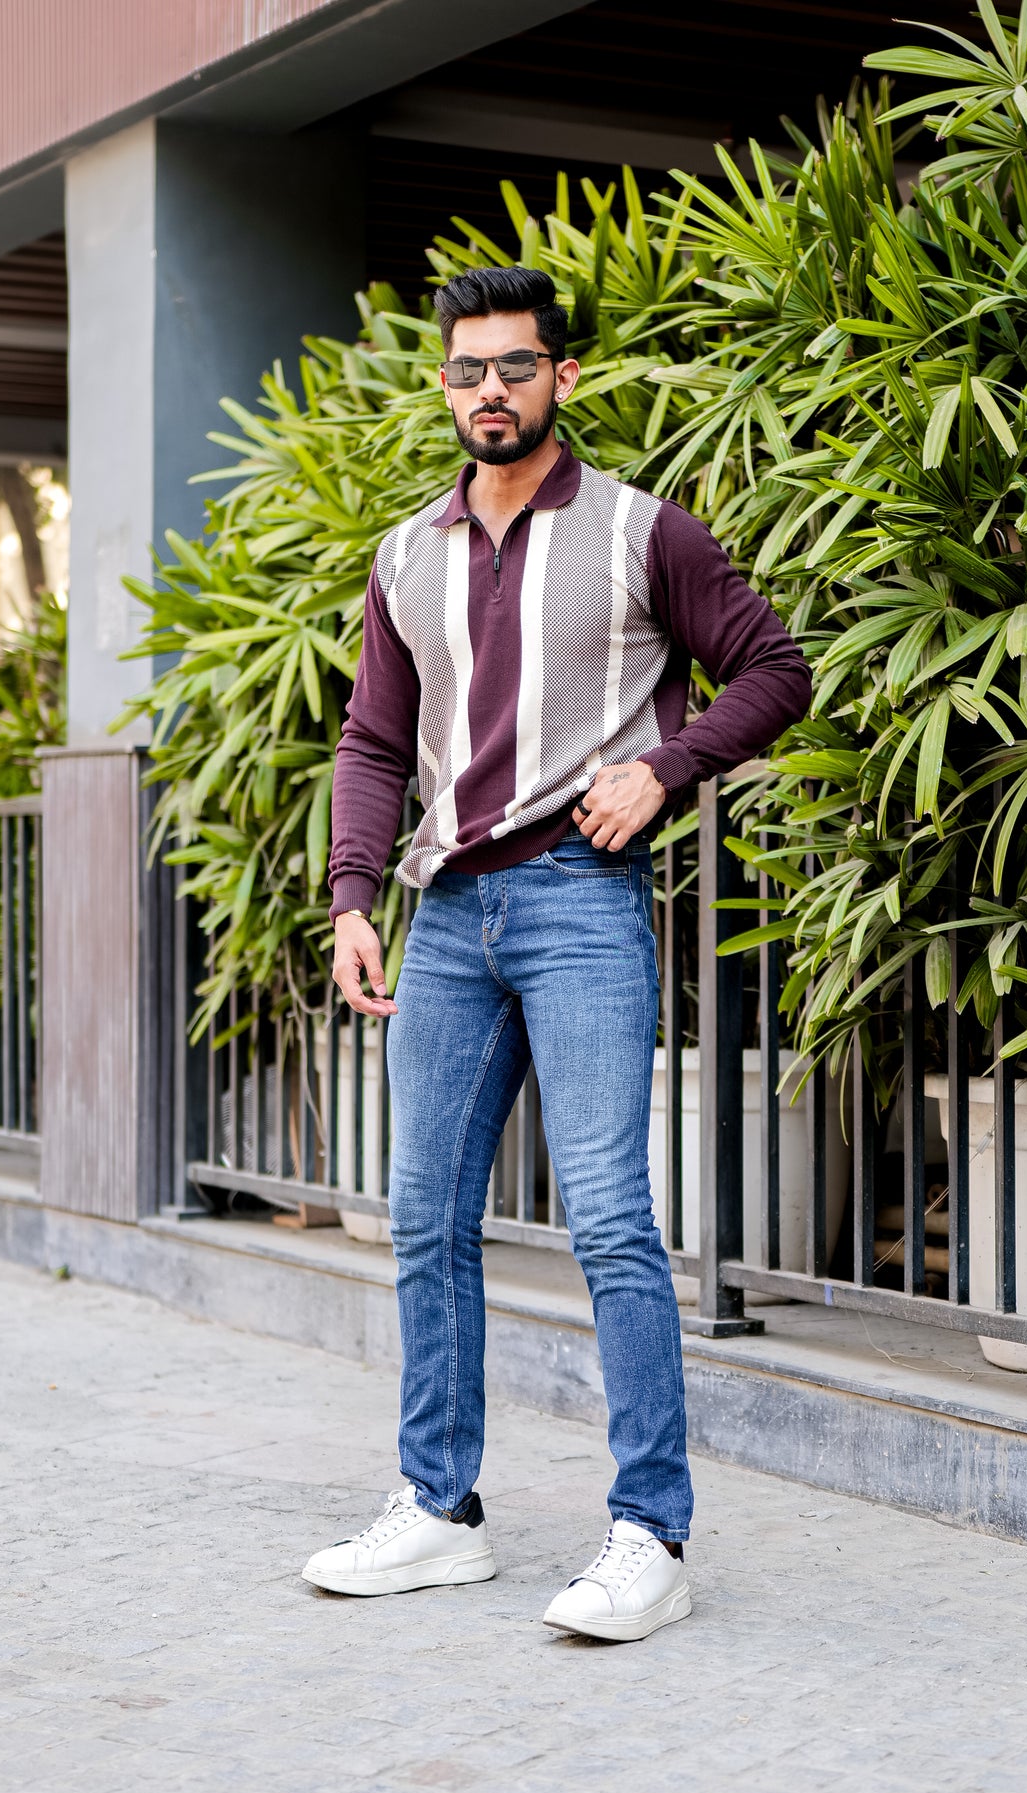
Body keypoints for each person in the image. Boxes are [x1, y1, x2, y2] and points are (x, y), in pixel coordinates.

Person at [302, 265, 810, 1641]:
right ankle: (440, 1510)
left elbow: (776, 670)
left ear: (562, 377)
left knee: (608, 1220)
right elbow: (374, 741)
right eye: (469, 370)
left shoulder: (644, 532)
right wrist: (353, 896)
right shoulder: (405, 556)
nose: (491, 391)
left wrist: (666, 768)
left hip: (581, 901)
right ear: (446, 386)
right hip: (444, 918)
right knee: (425, 1218)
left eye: (516, 367)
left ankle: (651, 1534)